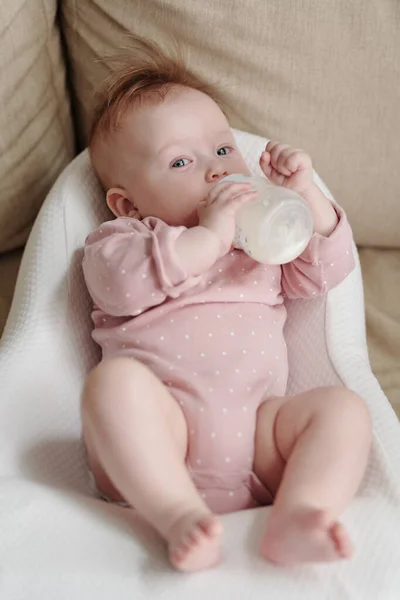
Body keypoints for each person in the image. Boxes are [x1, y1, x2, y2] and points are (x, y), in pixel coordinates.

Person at [81, 38, 372, 572]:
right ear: (129, 202)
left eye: (221, 150)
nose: (215, 171)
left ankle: (300, 512)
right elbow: (119, 286)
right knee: (113, 387)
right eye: (181, 162)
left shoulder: (258, 240)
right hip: (161, 436)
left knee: (343, 411)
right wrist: (211, 236)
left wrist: (303, 194)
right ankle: (177, 514)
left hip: (257, 439)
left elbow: (327, 271)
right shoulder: (123, 241)